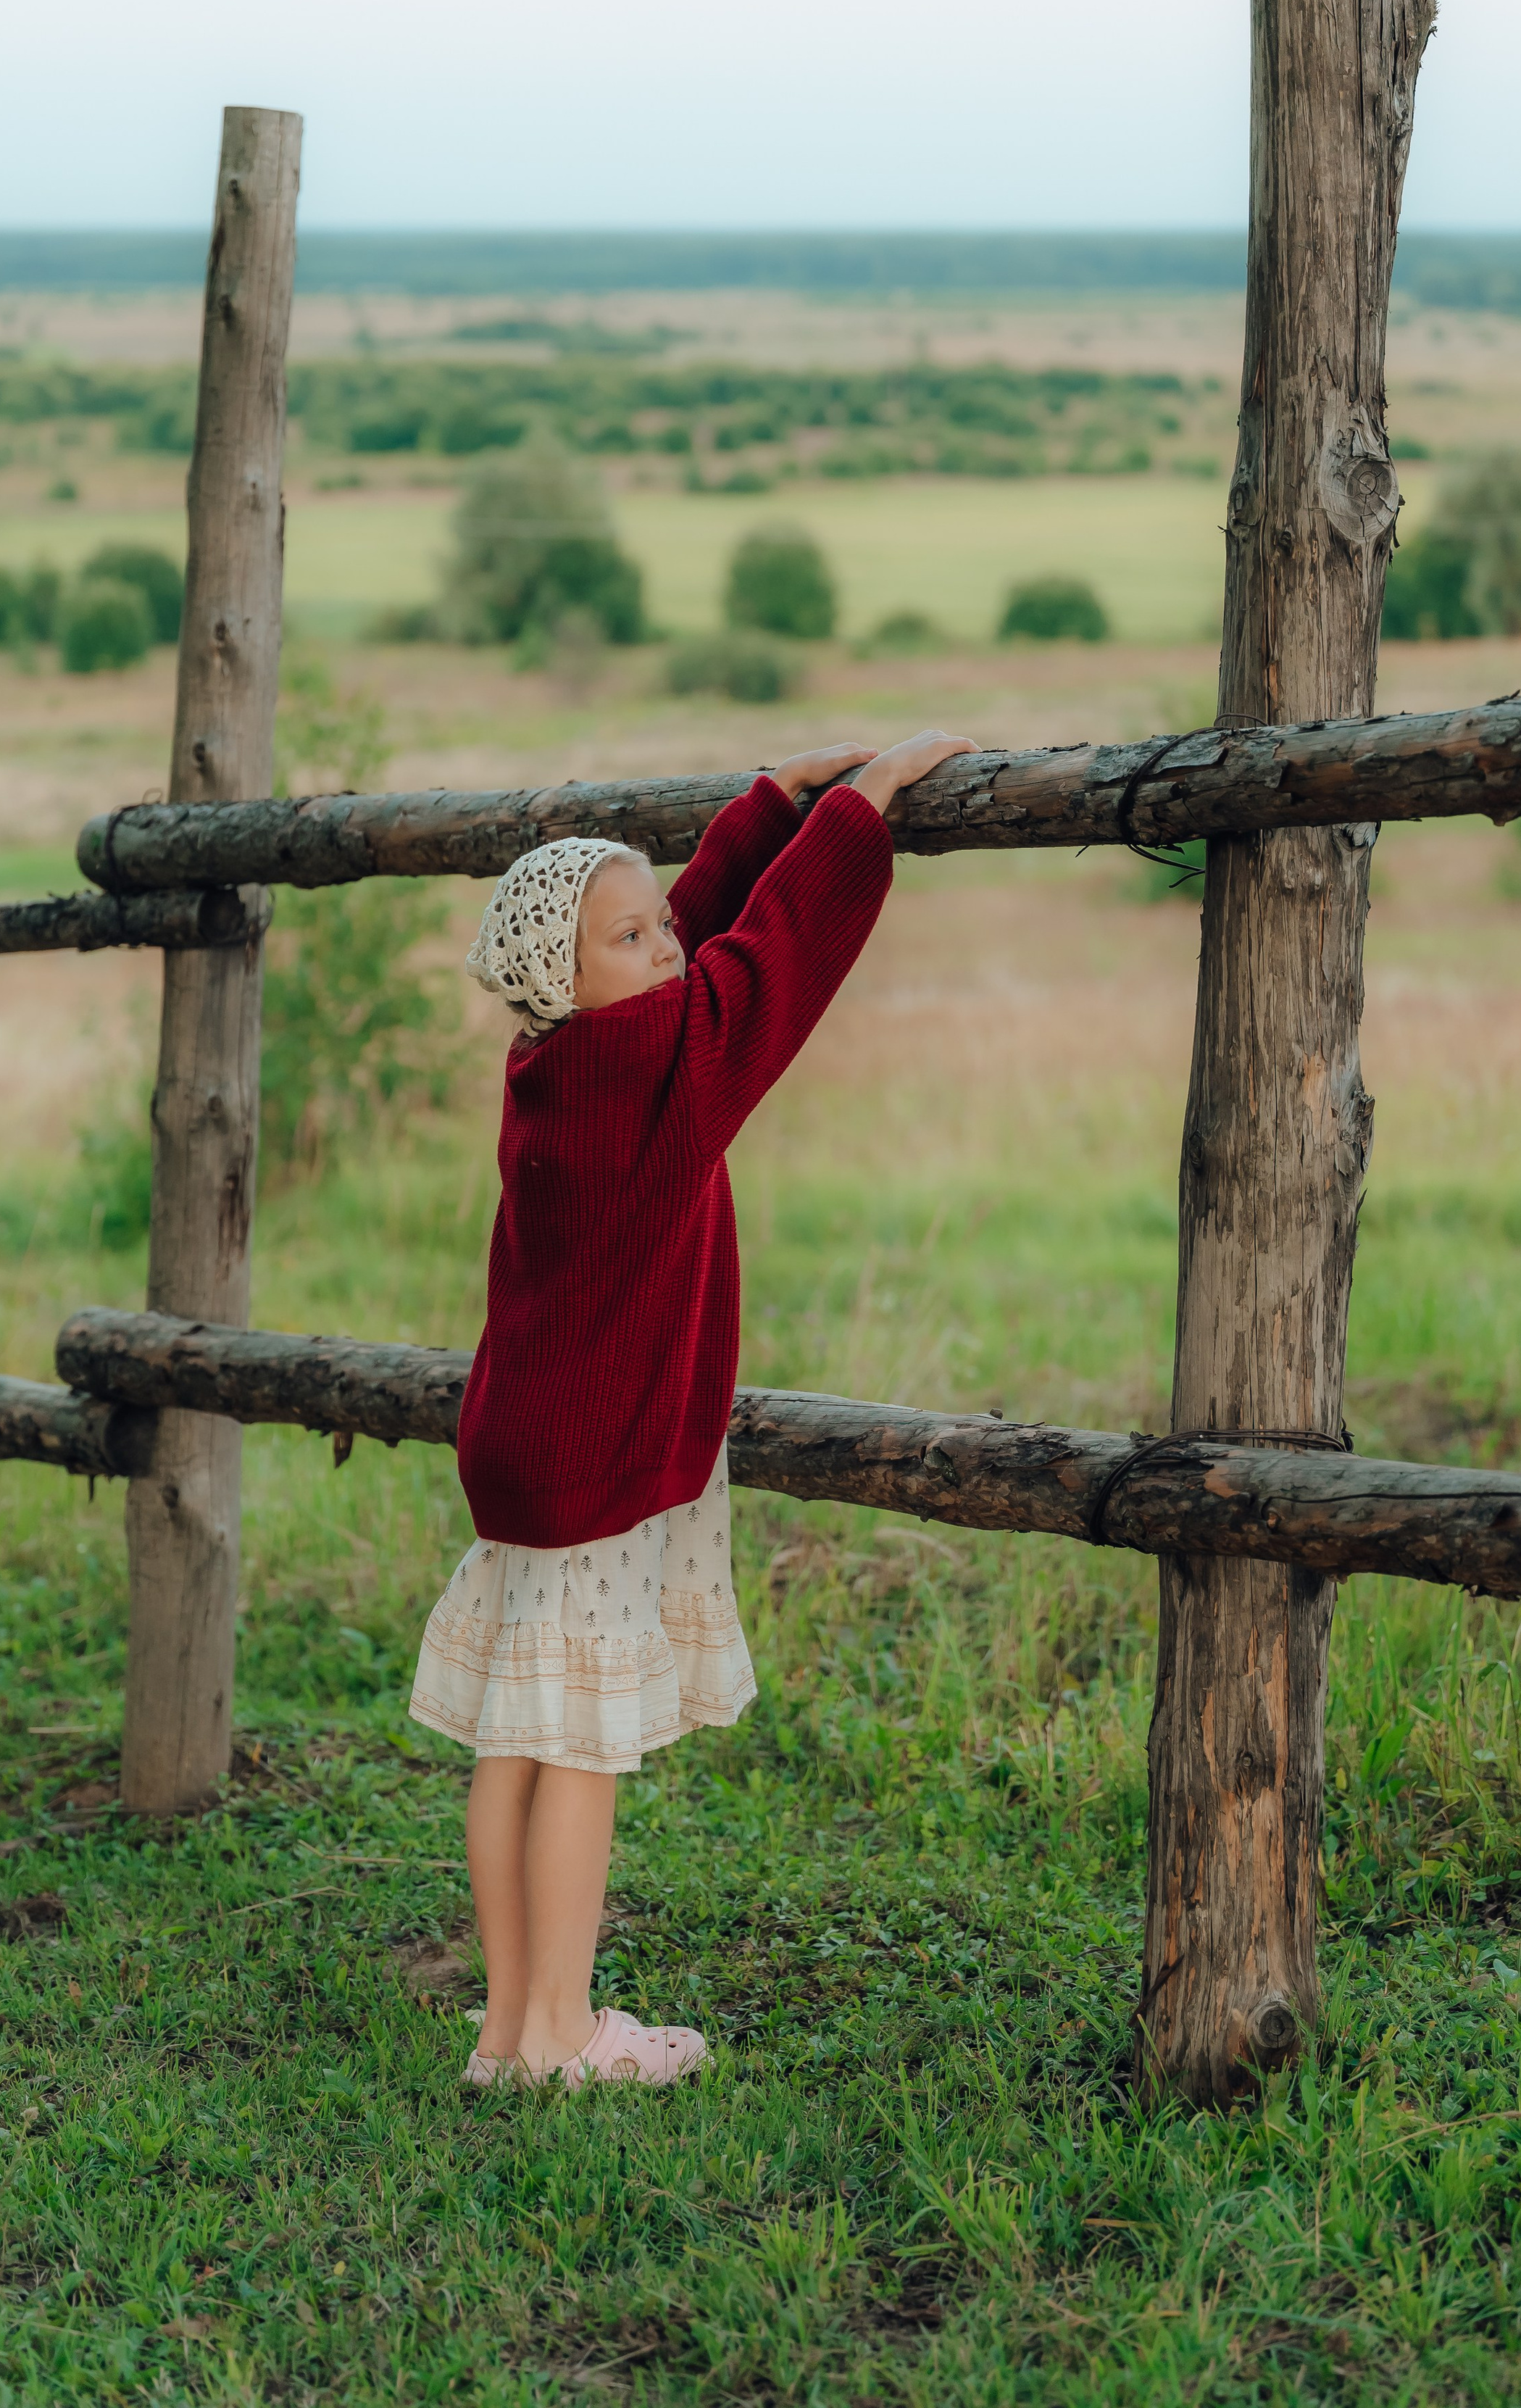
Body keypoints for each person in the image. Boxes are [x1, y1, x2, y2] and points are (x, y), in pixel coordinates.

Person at [409, 729, 975, 2088]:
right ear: (573, 974)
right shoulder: (665, 1060)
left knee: (515, 1738)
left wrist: (767, 807)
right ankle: (561, 2031)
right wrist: (853, 816)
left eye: (658, 926)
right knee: (580, 1751)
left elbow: (686, 940)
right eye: (630, 939)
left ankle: (503, 2030)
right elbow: (768, 968)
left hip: (523, 1444)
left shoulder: (563, 1054)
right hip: (599, 1455)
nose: (662, 948)